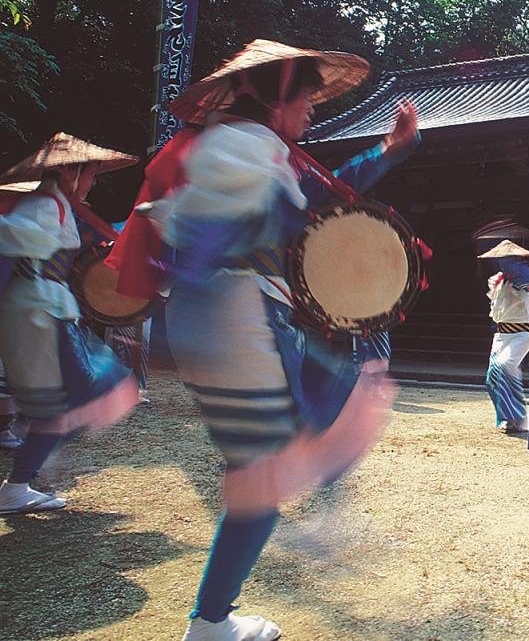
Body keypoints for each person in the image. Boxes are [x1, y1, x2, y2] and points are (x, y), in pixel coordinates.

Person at [109, 40, 420, 641]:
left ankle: (219, 612)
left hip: (240, 315)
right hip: (233, 317)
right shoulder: (239, 147)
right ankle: (221, 612)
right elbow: (268, 222)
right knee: (267, 476)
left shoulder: (252, 147)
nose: (311, 112)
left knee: (294, 441)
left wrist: (388, 150)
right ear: (278, 98)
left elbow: (306, 203)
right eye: (305, 97)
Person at [0, 134, 141, 514]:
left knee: (77, 400)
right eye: (91, 173)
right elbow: (6, 246)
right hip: (37, 313)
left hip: (43, 313)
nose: (94, 181)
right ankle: (19, 482)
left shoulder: (54, 205)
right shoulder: (45, 205)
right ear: (69, 171)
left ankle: (23, 477)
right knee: (85, 396)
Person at [478, 240, 529, 433]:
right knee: (492, 376)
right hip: (502, 334)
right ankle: (508, 418)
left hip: (523, 332)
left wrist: (516, 271)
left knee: (506, 366)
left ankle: (520, 417)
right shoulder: (495, 280)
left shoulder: (525, 276)